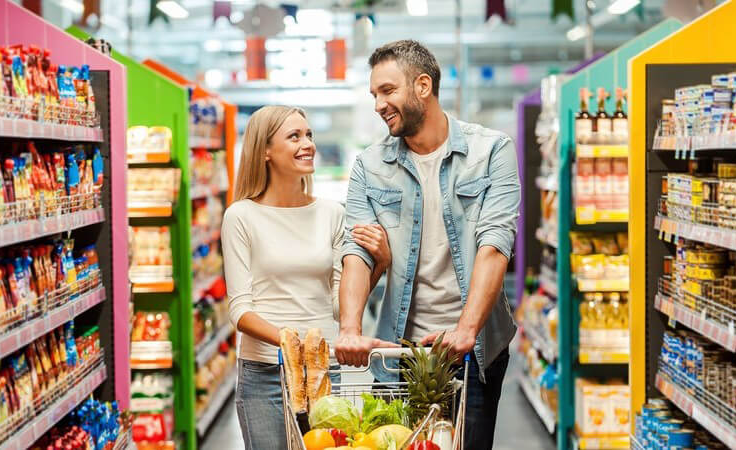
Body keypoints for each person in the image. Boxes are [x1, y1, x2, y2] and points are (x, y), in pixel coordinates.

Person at [334, 40, 520, 450]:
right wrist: (350, 330)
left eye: (387, 91)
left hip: (471, 352)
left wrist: (466, 329)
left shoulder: (492, 151)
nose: (379, 104)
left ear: (422, 86)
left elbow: (495, 244)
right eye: (374, 95)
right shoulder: (370, 166)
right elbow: (357, 254)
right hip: (397, 352)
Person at [222, 105, 392, 450]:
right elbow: (240, 311)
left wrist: (380, 265)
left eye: (309, 135)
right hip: (266, 372)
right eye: (294, 136)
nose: (308, 144)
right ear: (265, 150)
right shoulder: (240, 216)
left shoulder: (331, 213)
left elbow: (336, 302)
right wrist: (292, 343)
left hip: (324, 371)